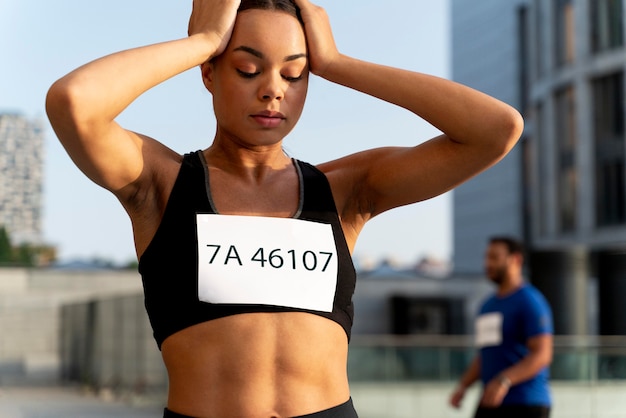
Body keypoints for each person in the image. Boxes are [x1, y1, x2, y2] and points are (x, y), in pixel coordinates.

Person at [46, 0, 523, 416]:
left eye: (295, 73)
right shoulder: (161, 183)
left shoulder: (343, 191)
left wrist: (337, 63)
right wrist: (203, 40)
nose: (274, 89)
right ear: (209, 72)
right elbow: (74, 102)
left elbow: (496, 129)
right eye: (248, 68)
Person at [449, 237, 553, 418]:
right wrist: (463, 386)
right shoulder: (487, 306)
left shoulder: (530, 301)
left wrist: (504, 380)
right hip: (491, 402)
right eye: (486, 258)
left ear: (516, 260)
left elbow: (542, 354)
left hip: (526, 403)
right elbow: (485, 355)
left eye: (494, 257)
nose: (488, 263)